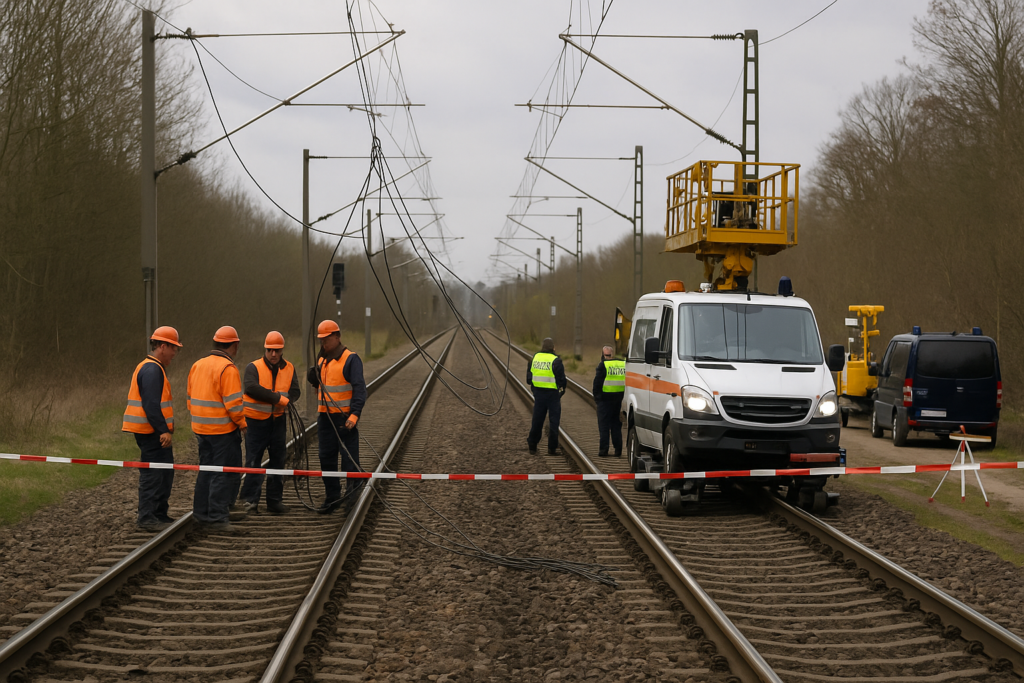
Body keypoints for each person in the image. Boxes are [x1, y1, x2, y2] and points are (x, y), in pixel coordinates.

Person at [188, 326, 247, 532]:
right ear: (235, 345)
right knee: (222, 473)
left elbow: (189, 398)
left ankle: (201, 513)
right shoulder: (227, 368)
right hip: (222, 430)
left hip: (201, 428)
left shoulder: (198, 365)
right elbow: (233, 404)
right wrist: (242, 424)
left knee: (206, 470)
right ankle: (218, 517)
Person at [122, 326, 182, 532]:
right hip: (151, 432)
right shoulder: (151, 369)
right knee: (153, 473)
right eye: (174, 348)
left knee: (164, 471)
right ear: (163, 346)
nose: (175, 353)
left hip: (152, 431)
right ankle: (147, 517)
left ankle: (158, 513)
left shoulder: (152, 367)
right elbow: (151, 404)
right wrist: (162, 430)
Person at [307, 320, 366, 514]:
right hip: (325, 419)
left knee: (349, 460)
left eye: (326, 339)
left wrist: (354, 416)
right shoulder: (322, 360)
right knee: (326, 458)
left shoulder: (351, 359)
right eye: (321, 340)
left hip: (344, 419)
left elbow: (359, 389)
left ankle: (352, 497)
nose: (323, 343)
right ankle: (332, 496)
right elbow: (321, 387)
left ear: (337, 337)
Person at [238, 331, 300, 514]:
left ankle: (274, 501)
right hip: (255, 423)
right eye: (270, 350)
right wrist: (277, 399)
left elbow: (295, 391)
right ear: (265, 349)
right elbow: (251, 388)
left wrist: (286, 400)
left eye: (277, 350)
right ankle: (250, 501)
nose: (273, 354)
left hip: (278, 422)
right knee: (253, 462)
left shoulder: (289, 368)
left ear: (282, 350)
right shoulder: (253, 368)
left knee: (278, 461)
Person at [526, 337, 566, 455]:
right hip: (553, 395)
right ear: (553, 347)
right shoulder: (556, 361)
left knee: (537, 420)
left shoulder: (534, 358)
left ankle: (532, 445)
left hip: (538, 394)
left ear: (542, 346)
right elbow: (562, 380)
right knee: (554, 421)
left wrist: (535, 389)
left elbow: (529, 379)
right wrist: (561, 391)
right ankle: (552, 448)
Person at [592, 345, 625, 457]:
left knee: (604, 426)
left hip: (605, 401)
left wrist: (597, 398)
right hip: (619, 400)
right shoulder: (623, 364)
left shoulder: (603, 365)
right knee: (616, 425)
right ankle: (618, 450)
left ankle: (603, 450)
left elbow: (597, 384)